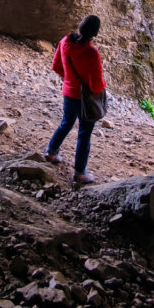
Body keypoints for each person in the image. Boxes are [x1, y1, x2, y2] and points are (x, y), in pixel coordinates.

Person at [46, 14, 105, 184]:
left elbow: (56, 66)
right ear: (95, 34)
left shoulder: (64, 42)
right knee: (84, 133)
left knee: (66, 123)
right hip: (84, 99)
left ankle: (51, 152)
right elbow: (96, 85)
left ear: (80, 26)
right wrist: (100, 87)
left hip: (68, 93)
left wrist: (70, 80)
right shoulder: (91, 53)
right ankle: (80, 173)